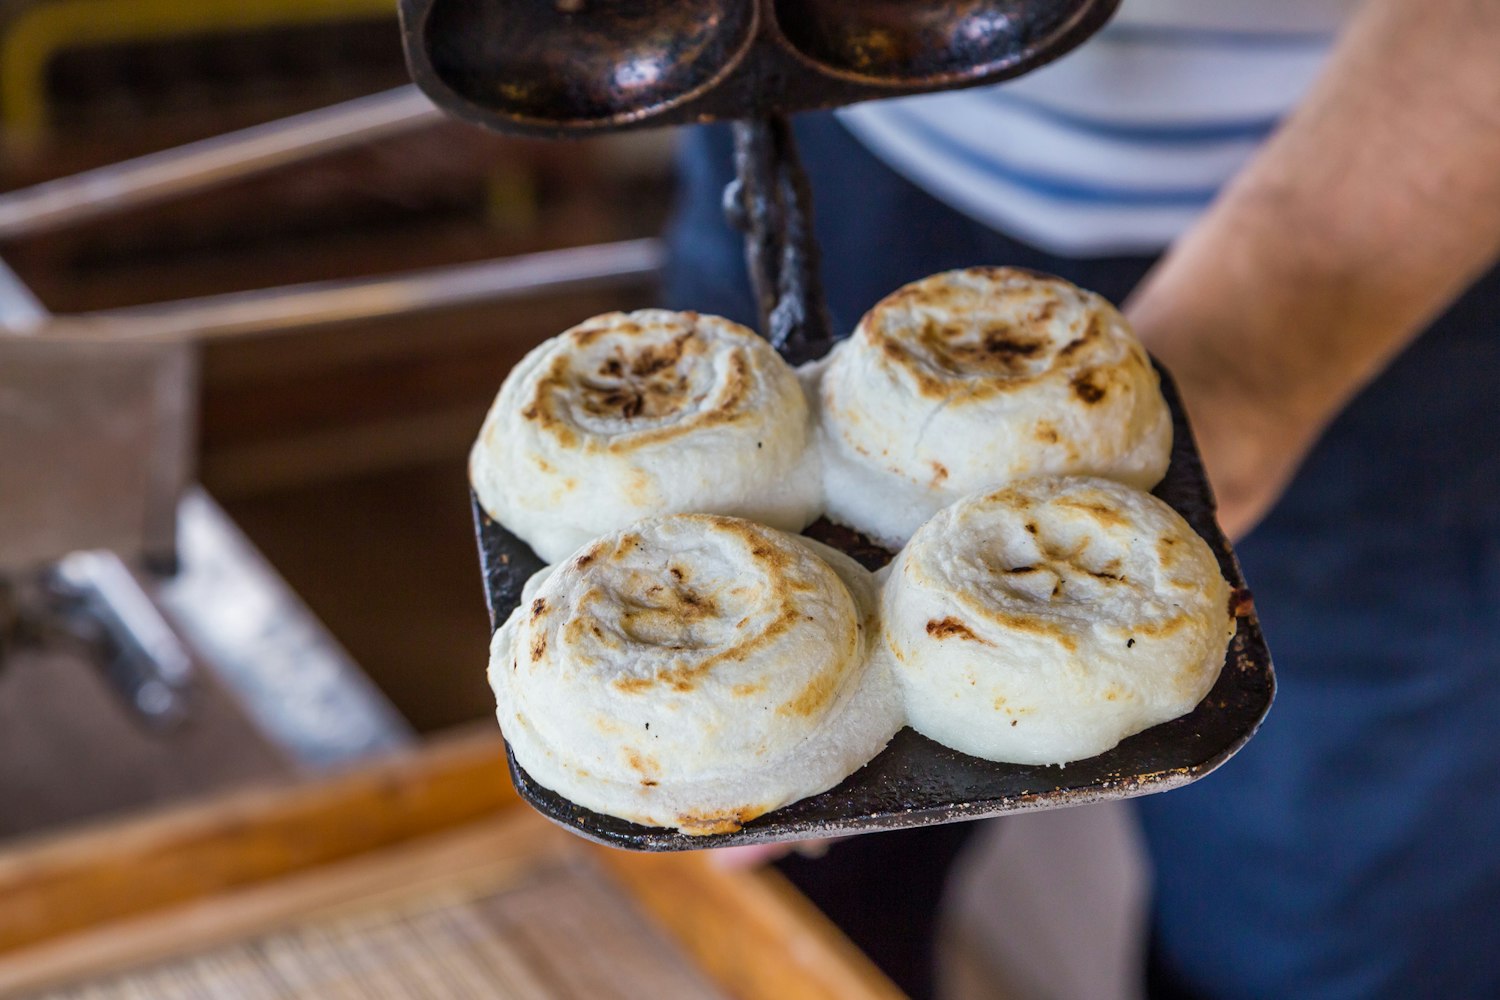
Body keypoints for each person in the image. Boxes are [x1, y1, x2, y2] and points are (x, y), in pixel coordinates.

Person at [661, 1, 1500, 998]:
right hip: (834, 118)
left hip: (1378, 175)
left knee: (1320, 937)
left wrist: (1248, 354)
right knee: (790, 883)